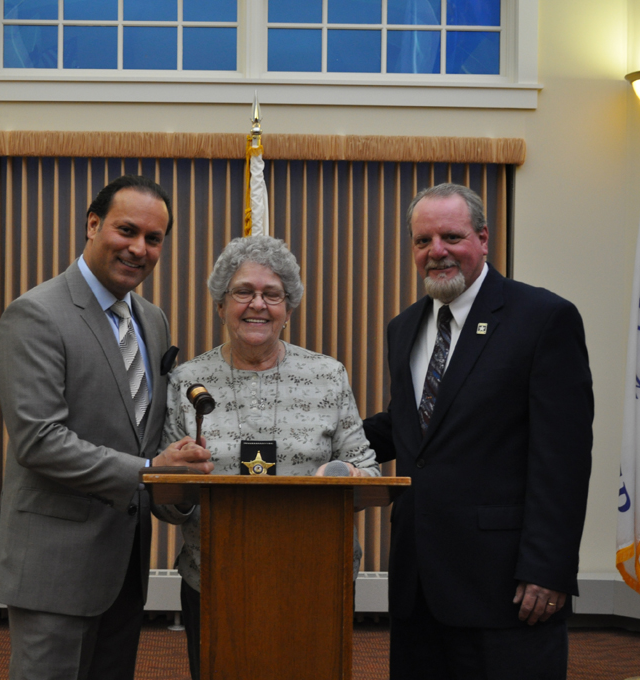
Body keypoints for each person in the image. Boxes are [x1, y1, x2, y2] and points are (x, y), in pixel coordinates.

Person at [363, 183, 593, 679]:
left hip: (505, 587)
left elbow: (564, 458)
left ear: (484, 239)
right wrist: (314, 432)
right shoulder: (403, 328)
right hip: (417, 584)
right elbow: (408, 427)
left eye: (451, 236)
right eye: (423, 241)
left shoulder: (542, 318)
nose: (436, 251)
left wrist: (547, 568)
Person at [0, 175, 214, 680]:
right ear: (93, 225)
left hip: (124, 568)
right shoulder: (36, 315)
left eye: (153, 239)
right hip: (54, 568)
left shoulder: (152, 320)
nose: (139, 248)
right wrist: (150, 469)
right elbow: (39, 441)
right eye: (127, 230)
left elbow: (143, 433)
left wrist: (179, 471)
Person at [154, 235, 379, 680]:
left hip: (314, 577)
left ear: (288, 311)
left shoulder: (328, 376)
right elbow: (166, 503)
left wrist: (344, 474)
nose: (257, 304)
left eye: (272, 295)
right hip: (216, 579)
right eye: (243, 292)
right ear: (220, 305)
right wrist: (178, 482)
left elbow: (366, 469)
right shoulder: (187, 380)